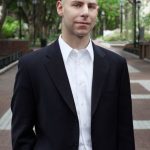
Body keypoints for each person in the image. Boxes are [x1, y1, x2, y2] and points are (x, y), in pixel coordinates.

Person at [11, 0, 135, 150]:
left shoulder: (116, 65)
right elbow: (21, 133)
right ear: (60, 8)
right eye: (77, 5)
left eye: (91, 6)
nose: (85, 12)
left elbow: (125, 131)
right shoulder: (31, 66)